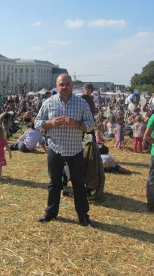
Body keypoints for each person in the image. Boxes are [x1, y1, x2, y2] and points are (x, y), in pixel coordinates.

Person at [34, 74, 94, 226]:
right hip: (55, 148)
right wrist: (51, 123)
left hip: (74, 149)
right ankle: (51, 213)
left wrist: (77, 124)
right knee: (54, 183)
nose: (65, 87)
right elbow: (37, 123)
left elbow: (91, 125)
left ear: (72, 85)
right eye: (62, 84)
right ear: (57, 85)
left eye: (67, 84)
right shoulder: (49, 102)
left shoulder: (81, 104)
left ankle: (83, 215)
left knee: (79, 185)